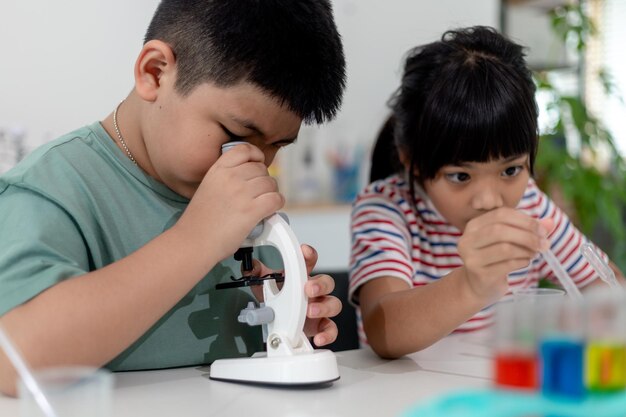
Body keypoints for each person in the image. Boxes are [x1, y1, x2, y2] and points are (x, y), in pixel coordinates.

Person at [0, 0, 346, 396]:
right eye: (235, 134)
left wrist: (287, 323)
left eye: (277, 145)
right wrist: (196, 238)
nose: (255, 161)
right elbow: (16, 362)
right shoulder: (50, 189)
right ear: (155, 72)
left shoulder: (234, 197)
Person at [349, 26, 622, 359]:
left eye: (510, 170)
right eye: (460, 176)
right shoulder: (385, 210)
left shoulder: (531, 205)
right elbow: (384, 329)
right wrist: (471, 285)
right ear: (413, 161)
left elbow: (609, 290)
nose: (490, 200)